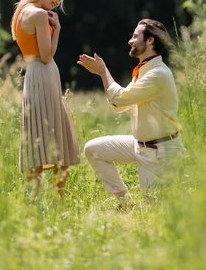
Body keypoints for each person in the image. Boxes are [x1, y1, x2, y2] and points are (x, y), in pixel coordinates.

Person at [78, 19, 185, 206]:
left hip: (160, 153)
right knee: (92, 149)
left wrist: (104, 72)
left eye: (135, 36)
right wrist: (105, 76)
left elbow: (119, 98)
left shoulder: (158, 74)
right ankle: (124, 203)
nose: (130, 40)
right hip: (139, 145)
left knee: (155, 210)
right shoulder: (144, 71)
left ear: (150, 41)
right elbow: (119, 105)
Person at [10, 0, 80, 198]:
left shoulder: (22, 11)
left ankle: (35, 201)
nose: (57, 2)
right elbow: (47, 56)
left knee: (37, 137)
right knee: (58, 138)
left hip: (33, 75)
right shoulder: (40, 15)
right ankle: (59, 202)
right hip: (43, 73)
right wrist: (57, 29)